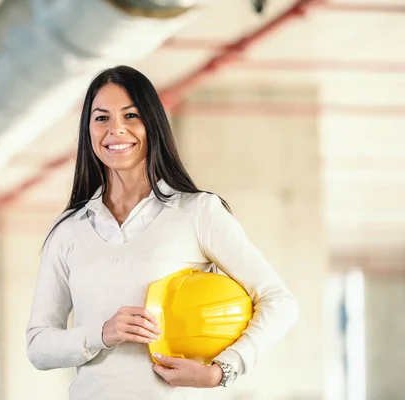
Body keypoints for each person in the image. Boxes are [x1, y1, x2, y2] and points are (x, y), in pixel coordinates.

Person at [26, 65, 298, 399]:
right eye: (101, 118)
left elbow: (279, 301)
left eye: (131, 116)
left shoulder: (198, 212)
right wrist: (102, 334)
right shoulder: (68, 232)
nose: (116, 130)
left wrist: (221, 371)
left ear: (152, 124)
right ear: (88, 131)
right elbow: (38, 345)